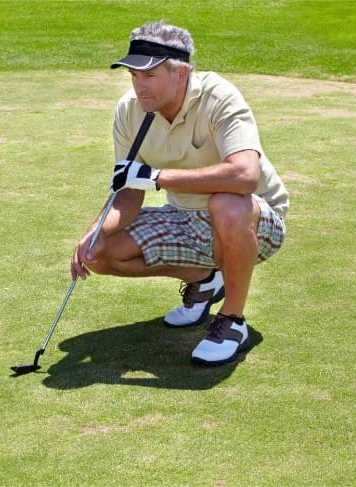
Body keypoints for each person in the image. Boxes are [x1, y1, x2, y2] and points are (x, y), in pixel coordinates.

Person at [70, 20, 289, 366]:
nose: (139, 87)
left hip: (255, 218)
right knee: (98, 251)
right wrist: (93, 232)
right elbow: (128, 193)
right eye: (134, 76)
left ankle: (232, 321)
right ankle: (203, 280)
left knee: (227, 202)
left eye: (150, 76)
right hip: (185, 219)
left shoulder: (218, 97)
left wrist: (157, 177)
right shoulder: (130, 112)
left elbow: (245, 176)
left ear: (181, 73)